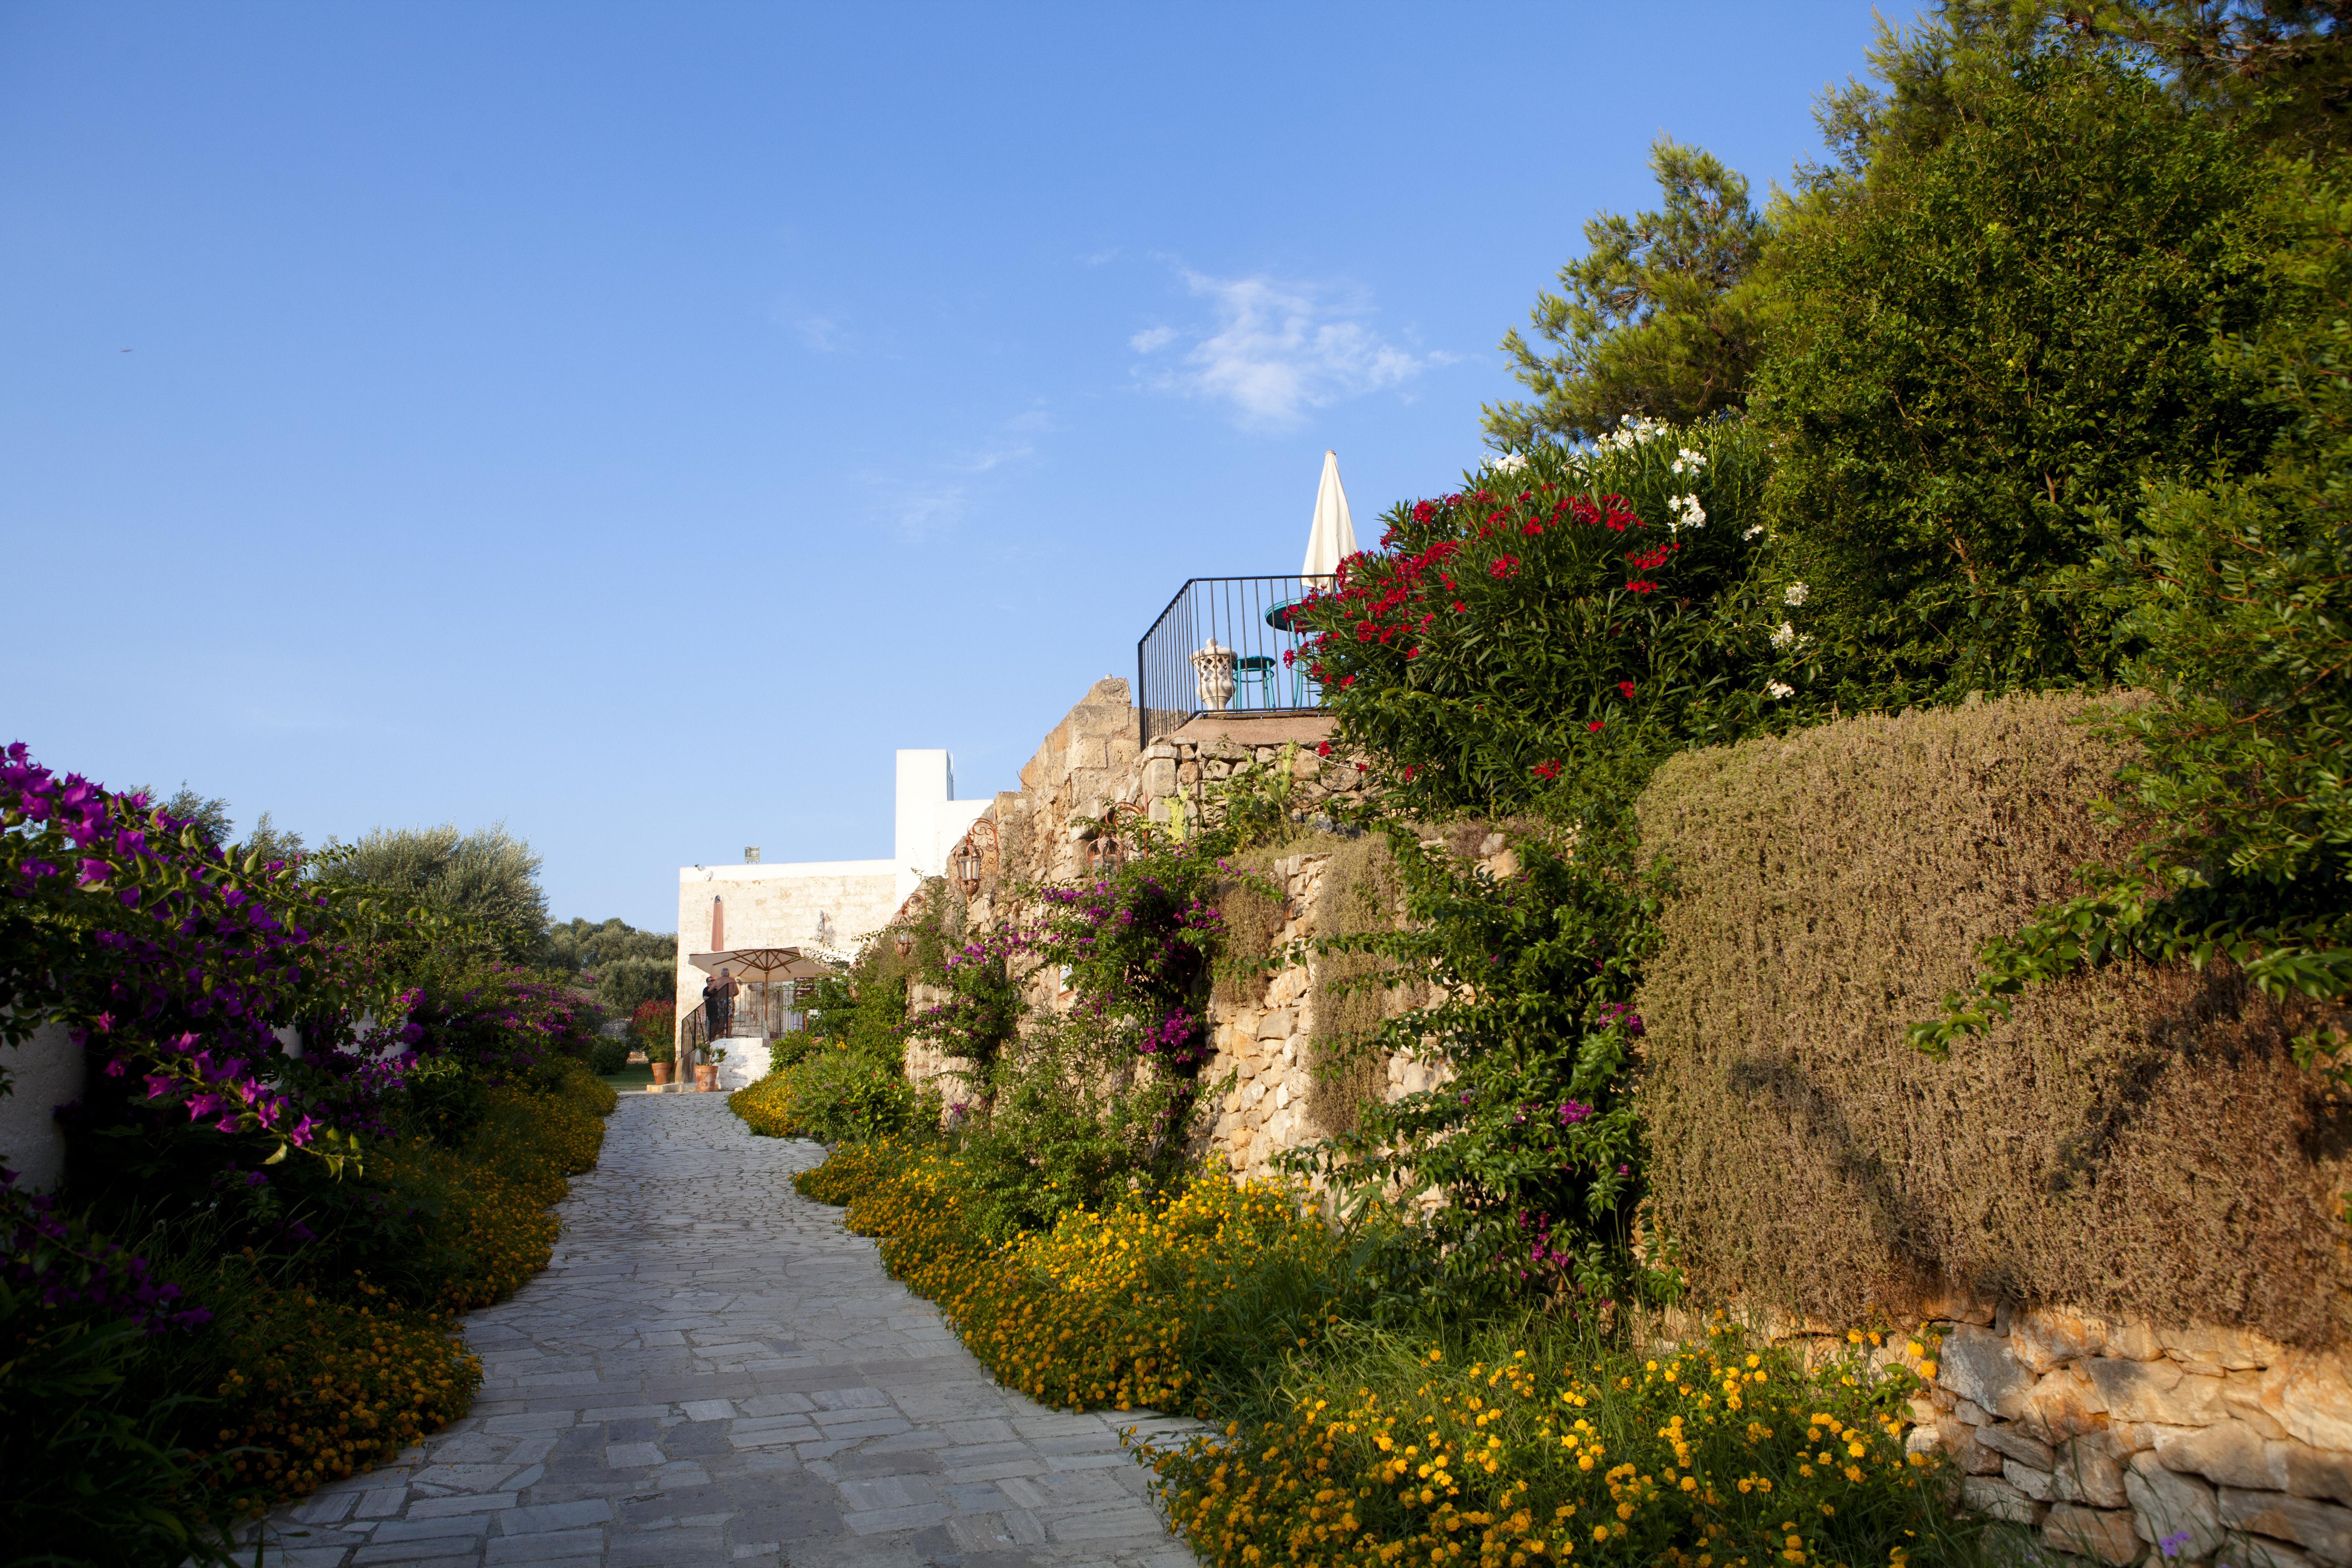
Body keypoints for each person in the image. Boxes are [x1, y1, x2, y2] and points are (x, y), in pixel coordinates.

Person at [701, 966, 738, 1049]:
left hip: (721, 1000)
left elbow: (710, 990)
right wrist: (732, 996)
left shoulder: (718, 980)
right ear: (728, 974)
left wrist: (718, 992)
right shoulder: (732, 980)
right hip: (729, 1000)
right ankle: (728, 1038)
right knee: (729, 1019)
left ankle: (721, 1038)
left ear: (722, 974)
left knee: (721, 1019)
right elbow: (737, 992)